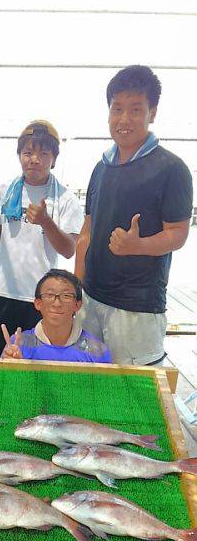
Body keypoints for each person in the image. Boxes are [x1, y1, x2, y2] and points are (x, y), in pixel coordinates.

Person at [75, 65, 193, 365]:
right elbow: (87, 230)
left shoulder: (171, 168)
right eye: (117, 109)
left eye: (135, 109)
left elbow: (178, 233)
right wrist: (77, 288)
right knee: (87, 380)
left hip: (137, 307)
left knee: (133, 392)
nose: (124, 119)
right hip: (90, 298)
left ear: (151, 113)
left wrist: (137, 246)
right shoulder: (101, 168)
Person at [0, 120, 83, 357]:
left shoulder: (66, 200)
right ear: (19, 156)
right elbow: (0, 240)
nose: (34, 159)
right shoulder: (3, 192)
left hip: (40, 300)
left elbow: (68, 250)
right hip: (2, 293)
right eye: (27, 152)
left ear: (54, 159)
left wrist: (46, 221)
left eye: (43, 153)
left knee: (36, 364)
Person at [1, 269, 111, 363]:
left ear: (77, 305)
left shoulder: (97, 350)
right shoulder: (18, 344)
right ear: (38, 303)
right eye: (49, 295)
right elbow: (4, 386)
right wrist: (13, 370)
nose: (57, 304)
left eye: (66, 296)